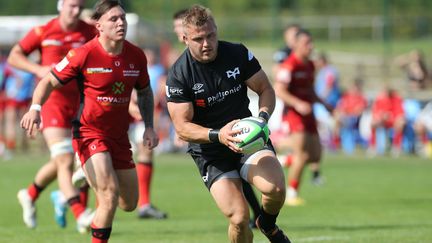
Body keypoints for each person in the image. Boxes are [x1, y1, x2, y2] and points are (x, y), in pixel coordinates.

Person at [20, 1, 158, 242]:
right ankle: (84, 167)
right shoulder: (83, 53)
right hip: (89, 132)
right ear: (99, 26)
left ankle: (84, 172)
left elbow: (145, 92)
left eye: (123, 18)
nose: (120, 23)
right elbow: (48, 81)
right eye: (113, 19)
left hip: (119, 137)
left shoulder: (136, 55)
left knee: (129, 203)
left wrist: (148, 126)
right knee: (108, 195)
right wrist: (35, 108)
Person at [166, 5, 290, 243]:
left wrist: (261, 119)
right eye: (198, 39)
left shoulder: (237, 53)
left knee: (275, 190)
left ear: (216, 30)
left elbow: (265, 89)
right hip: (211, 150)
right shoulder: (179, 75)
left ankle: (267, 223)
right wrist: (218, 135)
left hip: (247, 138)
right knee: (239, 217)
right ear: (184, 39)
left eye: (211, 35)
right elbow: (182, 126)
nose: (206, 43)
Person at [8, 0, 96, 231]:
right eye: (71, 6)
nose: (75, 11)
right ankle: (80, 214)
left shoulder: (88, 31)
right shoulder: (43, 31)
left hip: (80, 102)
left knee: (65, 160)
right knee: (65, 160)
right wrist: (37, 69)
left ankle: (30, 194)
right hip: (51, 103)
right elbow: (14, 56)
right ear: (61, 6)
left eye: (79, 6)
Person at [274, 29, 331, 206]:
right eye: (307, 43)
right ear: (296, 45)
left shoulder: (310, 65)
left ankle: (279, 158)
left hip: (309, 113)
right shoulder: (289, 65)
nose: (311, 46)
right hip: (294, 114)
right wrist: (297, 103)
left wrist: (323, 103)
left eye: (311, 42)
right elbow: (279, 90)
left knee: (315, 156)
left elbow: (311, 90)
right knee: (301, 154)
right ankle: (292, 194)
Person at [128, 48, 167, 219]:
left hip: (142, 117)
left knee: (146, 152)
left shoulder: (157, 69)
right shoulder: (130, 66)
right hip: (125, 116)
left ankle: (144, 204)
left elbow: (159, 91)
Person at [333, 79, 368, 154]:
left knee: (345, 123)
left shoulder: (361, 98)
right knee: (339, 121)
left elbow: (359, 110)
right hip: (346, 117)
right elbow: (341, 108)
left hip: (354, 118)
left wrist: (349, 112)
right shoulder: (346, 97)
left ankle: (345, 146)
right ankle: (337, 143)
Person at [369, 87, 405, 157]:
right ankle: (373, 146)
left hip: (393, 121)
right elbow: (376, 113)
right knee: (373, 123)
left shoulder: (397, 99)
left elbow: (400, 113)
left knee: (400, 123)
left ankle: (396, 147)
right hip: (382, 120)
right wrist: (382, 116)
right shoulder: (380, 99)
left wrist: (391, 117)